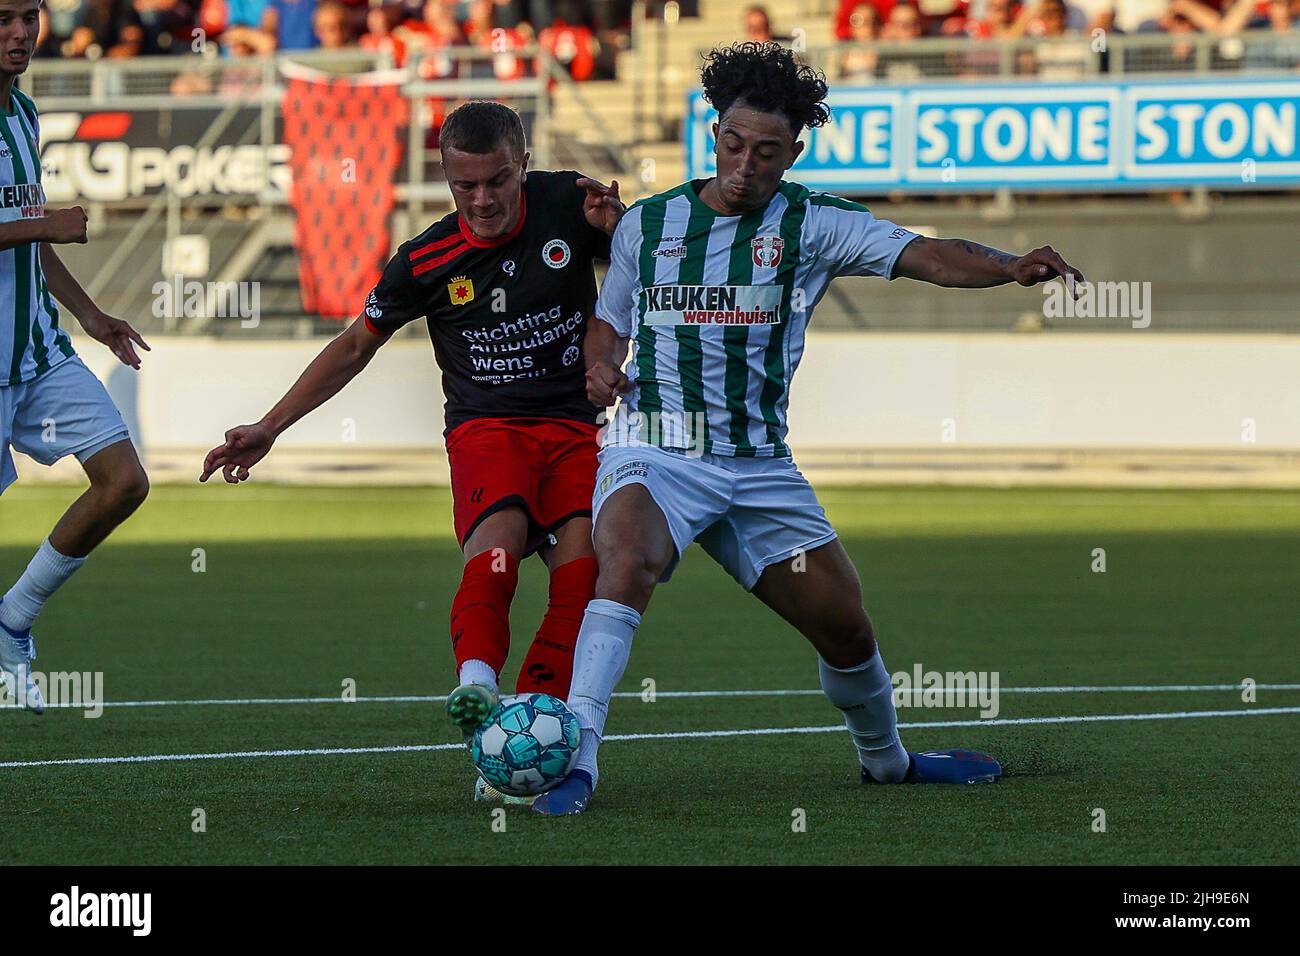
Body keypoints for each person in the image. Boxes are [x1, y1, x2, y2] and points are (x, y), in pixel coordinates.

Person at [533, 42, 1085, 815]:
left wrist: (1008, 264)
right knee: (624, 562)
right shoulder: (646, 226)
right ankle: (576, 759)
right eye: (732, 143)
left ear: (792, 152)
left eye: (765, 152)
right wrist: (600, 367)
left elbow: (926, 252)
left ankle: (889, 764)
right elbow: (609, 324)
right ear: (714, 131)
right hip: (655, 449)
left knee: (847, 631)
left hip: (759, 468)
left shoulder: (815, 224)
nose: (745, 164)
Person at [199, 102, 624, 801]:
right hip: (488, 428)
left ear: (524, 165)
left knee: (583, 575)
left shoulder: (568, 202)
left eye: (497, 181)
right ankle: (479, 691)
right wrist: (271, 426)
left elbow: (641, 267)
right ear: (445, 178)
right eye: (465, 187)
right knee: (498, 548)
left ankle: (526, 733)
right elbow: (354, 347)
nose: (482, 200)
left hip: (577, 426)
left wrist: (622, 224)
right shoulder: (425, 260)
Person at [0, 0, 152, 713]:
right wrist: (45, 222)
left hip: (37, 356)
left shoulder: (25, 114)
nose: (21, 32)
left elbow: (33, 240)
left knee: (123, 481)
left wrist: (91, 316)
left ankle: (13, 619)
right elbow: (37, 226)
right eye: (3, 17)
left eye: (28, 15)